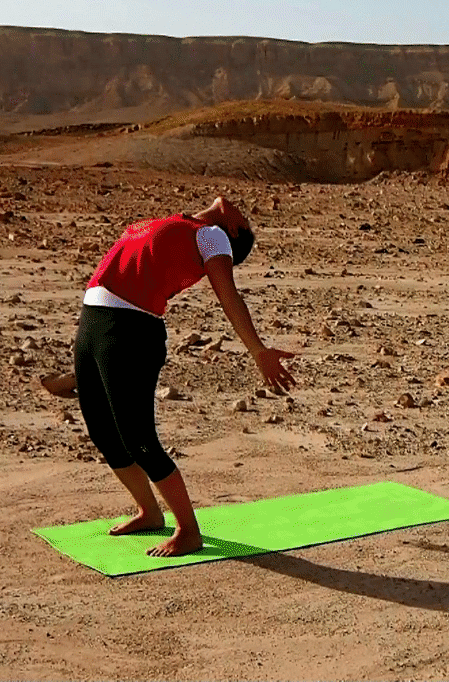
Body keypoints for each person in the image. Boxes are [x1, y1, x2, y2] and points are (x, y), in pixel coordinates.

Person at [73, 196, 296, 557]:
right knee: (103, 432)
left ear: (234, 229)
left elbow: (229, 296)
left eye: (244, 218)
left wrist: (258, 351)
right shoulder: (183, 222)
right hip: (95, 322)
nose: (240, 209)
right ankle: (149, 512)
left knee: (138, 439)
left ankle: (188, 530)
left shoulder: (213, 236)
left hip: (130, 331)